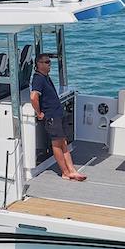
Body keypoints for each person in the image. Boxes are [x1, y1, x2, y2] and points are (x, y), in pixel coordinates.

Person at [30, 53, 86, 181]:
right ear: (38, 64)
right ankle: (65, 172)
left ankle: (72, 170)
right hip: (51, 116)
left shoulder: (45, 77)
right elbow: (33, 97)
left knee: (64, 143)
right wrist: (39, 113)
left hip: (57, 114)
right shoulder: (38, 78)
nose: (49, 64)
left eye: (49, 62)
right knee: (56, 144)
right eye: (46, 62)